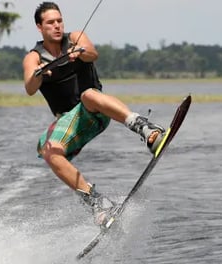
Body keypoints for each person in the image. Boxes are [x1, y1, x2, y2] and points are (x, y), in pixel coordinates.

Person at [23, 2, 165, 227]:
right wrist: (39, 73)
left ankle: (148, 130)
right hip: (70, 123)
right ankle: (97, 203)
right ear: (40, 27)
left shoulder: (76, 38)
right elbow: (30, 87)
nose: (57, 26)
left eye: (59, 20)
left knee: (88, 95)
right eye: (50, 22)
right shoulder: (34, 57)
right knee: (48, 150)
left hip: (96, 109)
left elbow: (92, 54)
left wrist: (78, 52)